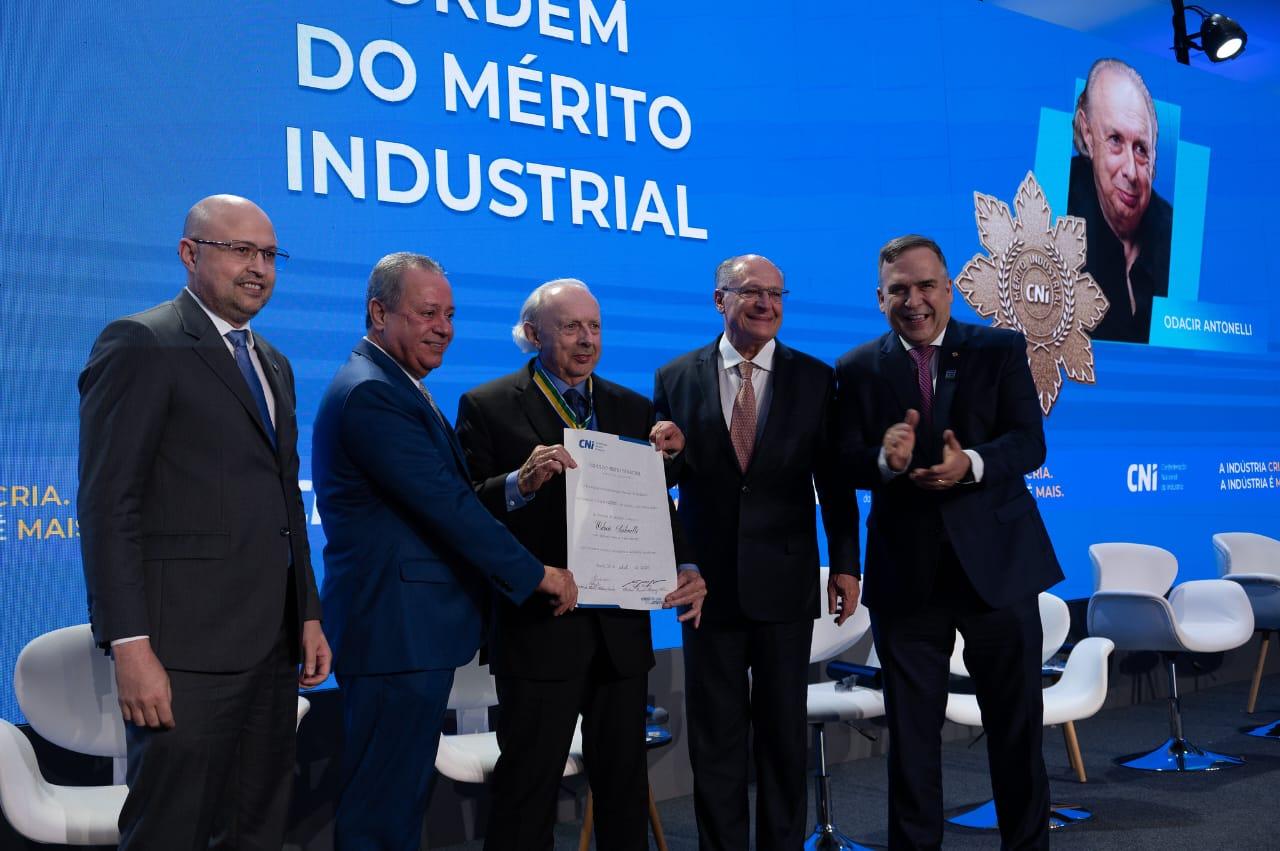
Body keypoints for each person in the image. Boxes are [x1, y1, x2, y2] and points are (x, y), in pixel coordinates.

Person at [77, 194, 330, 849]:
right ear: (190, 254)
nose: (258, 267)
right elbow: (108, 504)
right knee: (172, 831)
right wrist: (130, 645)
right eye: (240, 250)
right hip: (181, 653)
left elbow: (284, 500)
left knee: (256, 830)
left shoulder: (274, 362)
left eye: (268, 254)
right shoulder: (142, 342)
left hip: (271, 647)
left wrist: (306, 612)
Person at [312, 253, 576, 850]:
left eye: (450, 315)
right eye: (427, 313)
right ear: (379, 313)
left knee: (395, 805)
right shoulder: (372, 393)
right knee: (382, 813)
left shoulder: (396, 384)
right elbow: (446, 507)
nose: (444, 328)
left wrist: (517, 485)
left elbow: (446, 498)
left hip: (407, 635)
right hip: (394, 632)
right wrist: (536, 574)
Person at [455, 278, 707, 851]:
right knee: (527, 791)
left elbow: (653, 502)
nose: (587, 339)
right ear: (533, 333)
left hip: (620, 631)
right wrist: (519, 483)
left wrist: (685, 562)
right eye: (570, 327)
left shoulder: (631, 407)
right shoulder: (487, 405)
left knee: (624, 788)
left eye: (594, 326)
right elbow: (465, 508)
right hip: (539, 626)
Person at [834, 235, 1063, 849]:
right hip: (907, 577)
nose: (914, 300)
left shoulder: (999, 349)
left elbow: (1029, 442)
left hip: (998, 570)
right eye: (898, 290)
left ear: (950, 289)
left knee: (1017, 734)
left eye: (926, 286)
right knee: (911, 743)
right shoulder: (856, 368)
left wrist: (973, 465)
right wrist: (884, 460)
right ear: (879, 298)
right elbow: (843, 460)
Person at [652, 255, 860, 851]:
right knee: (715, 740)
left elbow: (835, 483)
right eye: (752, 293)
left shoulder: (815, 378)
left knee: (782, 739)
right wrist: (666, 454)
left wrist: (847, 564)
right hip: (707, 590)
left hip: (785, 584)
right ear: (720, 300)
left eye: (776, 294)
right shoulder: (674, 376)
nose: (767, 304)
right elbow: (662, 478)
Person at [1068, 57, 1172, 344]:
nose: (1131, 171)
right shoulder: (1054, 210)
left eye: (1141, 149)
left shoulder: (1176, 235)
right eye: (1115, 140)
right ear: (1088, 133)